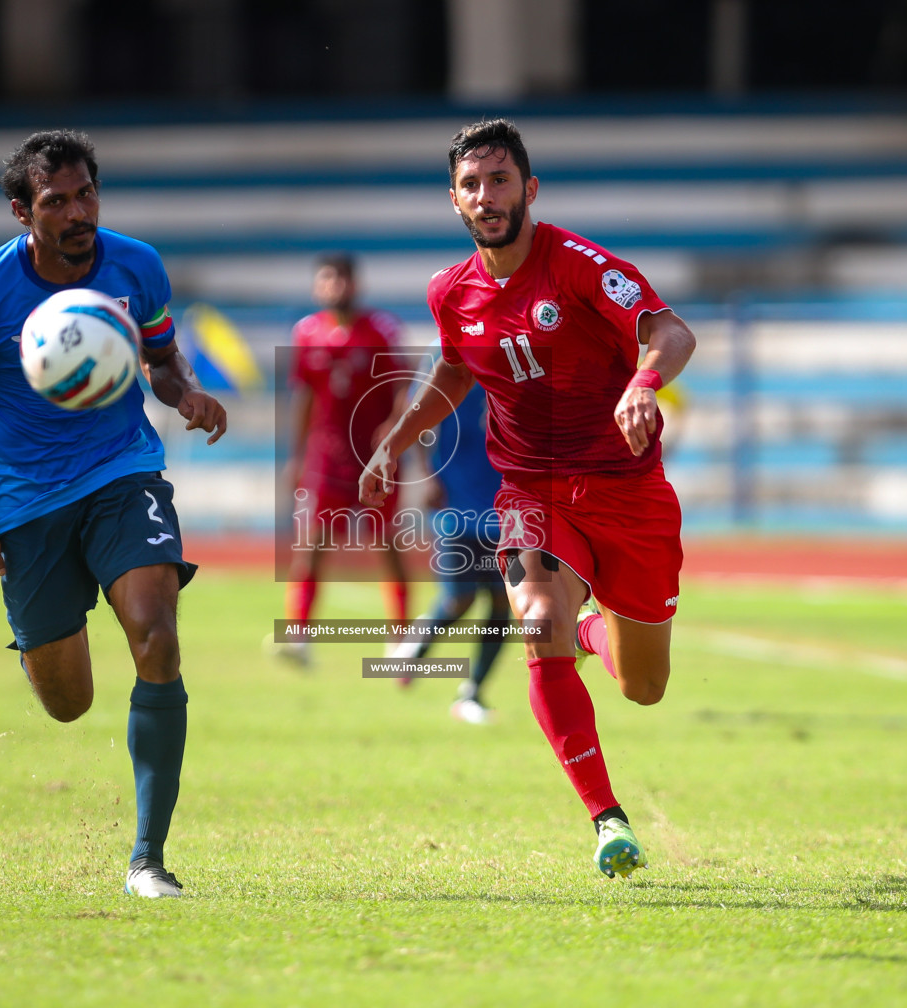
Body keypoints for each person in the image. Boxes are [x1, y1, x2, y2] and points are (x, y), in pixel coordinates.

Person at [359, 118, 697, 880]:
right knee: (536, 620)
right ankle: (607, 820)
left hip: (628, 492)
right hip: (533, 492)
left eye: (501, 179)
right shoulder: (451, 293)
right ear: (454, 200)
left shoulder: (579, 266)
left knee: (644, 687)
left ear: (529, 189)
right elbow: (455, 369)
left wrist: (643, 385)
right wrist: (396, 438)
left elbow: (669, 331)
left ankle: (589, 633)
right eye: (472, 184)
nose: (488, 196)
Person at [0, 130, 226, 899]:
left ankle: (148, 860)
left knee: (157, 637)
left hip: (123, 475)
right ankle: (42, 635)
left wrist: (183, 390)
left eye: (86, 193)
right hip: (26, 507)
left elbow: (159, 356)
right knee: (68, 704)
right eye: (56, 201)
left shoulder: (137, 266)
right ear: (23, 211)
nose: (77, 211)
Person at [277, 253, 410, 665]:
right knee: (312, 544)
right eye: (327, 279)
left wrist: (397, 441)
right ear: (319, 286)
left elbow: (404, 390)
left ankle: (401, 638)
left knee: (387, 544)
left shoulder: (382, 331)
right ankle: (297, 636)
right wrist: (296, 457)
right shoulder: (307, 332)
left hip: (376, 458)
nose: (335, 287)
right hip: (326, 458)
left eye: (342, 279)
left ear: (356, 284)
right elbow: (304, 398)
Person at [388, 383, 510, 724]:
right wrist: (427, 475)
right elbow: (410, 409)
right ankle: (415, 648)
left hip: (507, 500)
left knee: (504, 600)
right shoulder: (449, 350)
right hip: (455, 499)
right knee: (460, 598)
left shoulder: (519, 352)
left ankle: (472, 692)